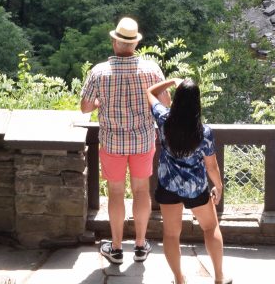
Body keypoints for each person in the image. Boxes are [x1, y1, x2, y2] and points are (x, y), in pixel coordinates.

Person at [80, 17, 165, 265]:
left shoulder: (99, 72)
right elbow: (166, 104)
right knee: (141, 191)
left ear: (115, 41)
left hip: (112, 143)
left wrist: (98, 103)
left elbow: (85, 107)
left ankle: (116, 248)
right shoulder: (151, 70)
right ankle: (140, 246)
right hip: (143, 141)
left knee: (116, 193)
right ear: (135, 43)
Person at [146, 77, 231, 284]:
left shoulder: (164, 119)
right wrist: (218, 186)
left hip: (168, 185)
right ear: (197, 104)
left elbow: (149, 92)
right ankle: (219, 277)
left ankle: (179, 279)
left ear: (176, 101)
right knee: (210, 228)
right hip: (196, 188)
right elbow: (212, 166)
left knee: (171, 234)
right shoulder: (204, 132)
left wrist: (171, 81)